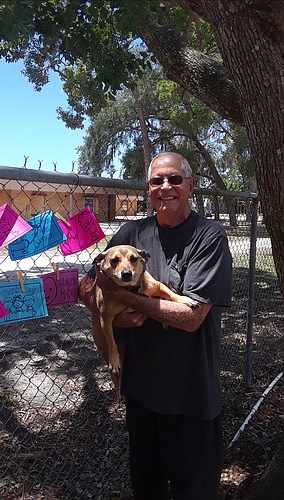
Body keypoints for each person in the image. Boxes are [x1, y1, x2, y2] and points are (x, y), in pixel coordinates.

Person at [78, 152, 233, 500]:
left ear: (190, 186)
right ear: (148, 189)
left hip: (190, 396)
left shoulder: (208, 236)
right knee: (146, 489)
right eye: (156, 181)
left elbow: (192, 317)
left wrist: (126, 299)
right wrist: (112, 313)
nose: (166, 187)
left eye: (175, 179)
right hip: (142, 393)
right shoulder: (132, 233)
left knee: (193, 491)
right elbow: (86, 286)